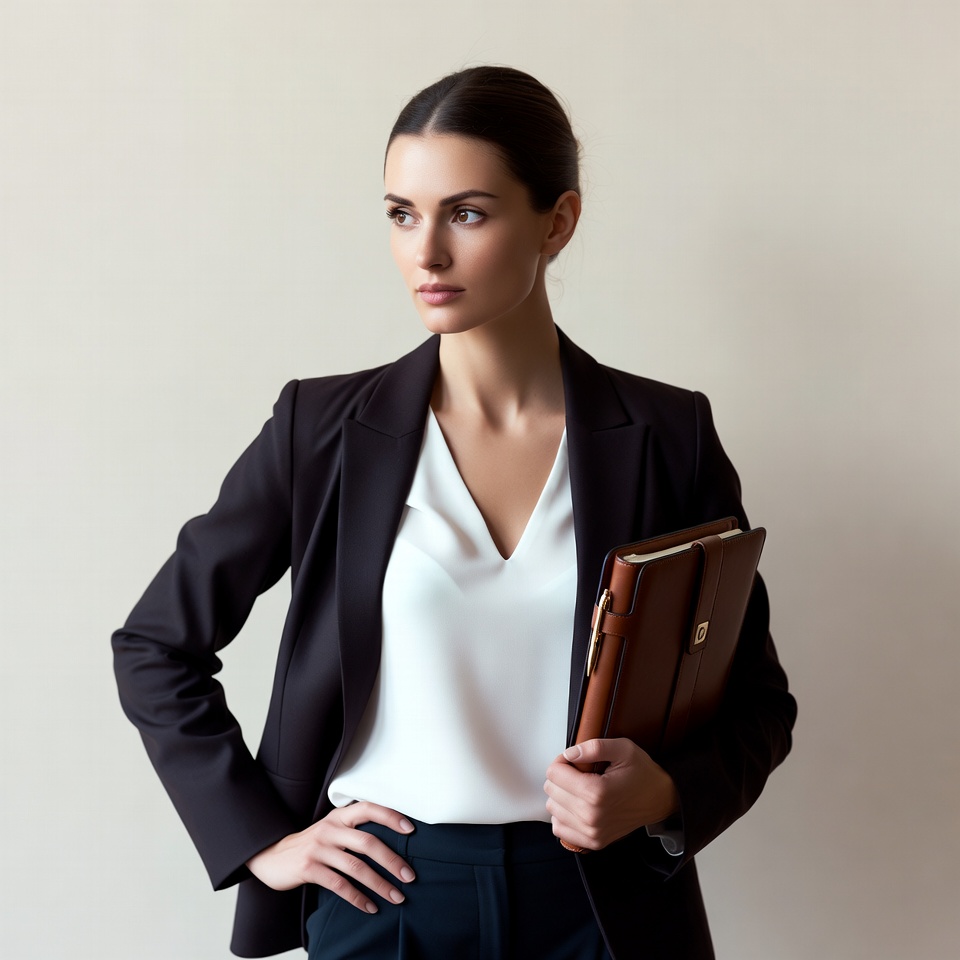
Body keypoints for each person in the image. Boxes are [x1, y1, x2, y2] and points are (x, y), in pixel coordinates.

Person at [113, 66, 796, 960]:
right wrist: (263, 843)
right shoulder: (319, 432)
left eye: (467, 213)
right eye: (402, 213)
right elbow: (155, 644)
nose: (425, 253)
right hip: (388, 896)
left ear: (558, 222)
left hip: (601, 903)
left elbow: (758, 704)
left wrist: (663, 793)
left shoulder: (667, 435)